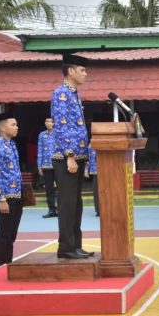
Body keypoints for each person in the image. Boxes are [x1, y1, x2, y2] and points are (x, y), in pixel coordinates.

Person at [51, 54, 93, 259]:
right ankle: (66, 247)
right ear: (71, 71)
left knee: (76, 203)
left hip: (78, 155)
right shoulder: (61, 94)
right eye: (82, 70)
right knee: (67, 204)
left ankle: (76, 244)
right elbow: (61, 126)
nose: (86, 74)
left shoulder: (74, 94)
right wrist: (70, 156)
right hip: (66, 157)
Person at [0, 112, 23, 266]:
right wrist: (1, 199)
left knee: (11, 234)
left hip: (15, 195)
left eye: (16, 124)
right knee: (4, 233)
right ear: (2, 128)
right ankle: (1, 265)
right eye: (13, 125)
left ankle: (8, 264)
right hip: (4, 197)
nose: (16, 127)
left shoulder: (11, 145)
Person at [37, 117, 58, 218]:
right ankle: (51, 210)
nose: (49, 123)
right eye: (47, 121)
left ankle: (61, 209)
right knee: (49, 189)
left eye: (51, 122)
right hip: (46, 165)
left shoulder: (59, 133)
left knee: (61, 188)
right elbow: (40, 150)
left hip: (58, 164)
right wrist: (39, 166)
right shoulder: (42, 135)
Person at [84, 147, 99, 217]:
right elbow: (88, 158)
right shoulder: (90, 145)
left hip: (106, 169)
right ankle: (98, 210)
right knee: (96, 191)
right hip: (95, 170)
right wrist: (86, 169)